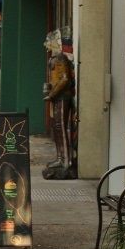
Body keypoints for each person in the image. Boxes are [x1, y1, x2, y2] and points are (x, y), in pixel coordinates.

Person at [43, 29, 75, 173]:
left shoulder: (61, 58)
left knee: (60, 127)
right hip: (57, 97)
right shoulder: (54, 59)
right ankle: (61, 158)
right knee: (57, 128)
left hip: (62, 97)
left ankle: (65, 160)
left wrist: (52, 94)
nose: (46, 45)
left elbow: (65, 79)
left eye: (48, 41)